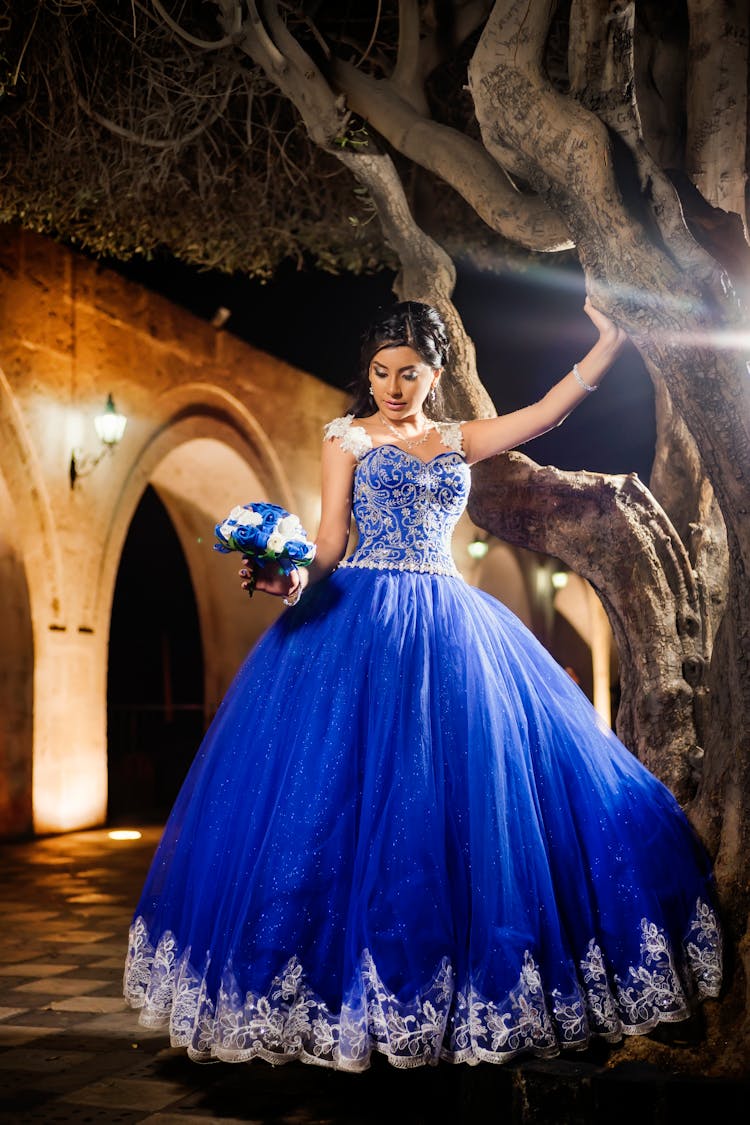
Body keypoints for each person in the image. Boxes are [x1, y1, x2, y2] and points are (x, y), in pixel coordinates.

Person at [124, 300, 722, 1071]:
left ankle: (446, 998)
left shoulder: (457, 439)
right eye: (380, 372)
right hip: (358, 624)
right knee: (334, 805)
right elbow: (331, 542)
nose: (392, 386)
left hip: (449, 625)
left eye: (408, 372)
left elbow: (543, 415)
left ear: (436, 374)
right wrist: (283, 578)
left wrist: (609, 342)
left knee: (454, 808)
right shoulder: (345, 438)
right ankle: (341, 1004)